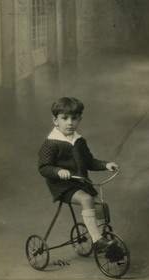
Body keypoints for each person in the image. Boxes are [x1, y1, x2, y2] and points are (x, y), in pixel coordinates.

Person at [38, 97, 118, 252]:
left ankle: (104, 239)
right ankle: (97, 241)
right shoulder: (51, 143)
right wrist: (58, 171)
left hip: (81, 182)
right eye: (65, 118)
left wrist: (106, 165)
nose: (70, 123)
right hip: (62, 185)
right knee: (86, 199)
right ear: (56, 120)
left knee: (101, 207)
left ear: (79, 119)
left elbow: (89, 162)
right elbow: (44, 167)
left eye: (74, 118)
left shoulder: (79, 141)